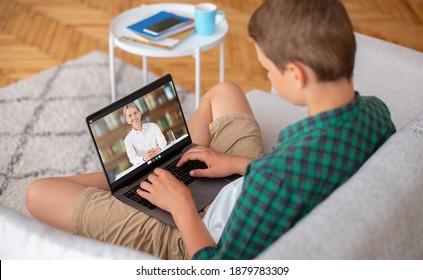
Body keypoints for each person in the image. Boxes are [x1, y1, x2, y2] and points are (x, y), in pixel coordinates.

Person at [26, 0, 395, 260]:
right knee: (225, 91)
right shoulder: (376, 113)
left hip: (195, 234)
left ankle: (136, 180)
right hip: (243, 185)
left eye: (267, 67)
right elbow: (285, 169)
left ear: (296, 73)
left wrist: (181, 205)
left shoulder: (273, 178)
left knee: (38, 192)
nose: (266, 75)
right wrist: (235, 163)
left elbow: (214, 267)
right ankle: (171, 164)